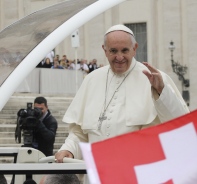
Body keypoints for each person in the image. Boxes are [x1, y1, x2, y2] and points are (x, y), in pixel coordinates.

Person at [55, 25, 189, 182]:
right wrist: (68, 149)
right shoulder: (92, 80)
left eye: (124, 50)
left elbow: (180, 125)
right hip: (99, 176)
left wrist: (161, 92)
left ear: (135, 48)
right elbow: (80, 133)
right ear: (105, 50)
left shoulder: (155, 79)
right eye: (113, 51)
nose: (119, 57)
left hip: (139, 177)